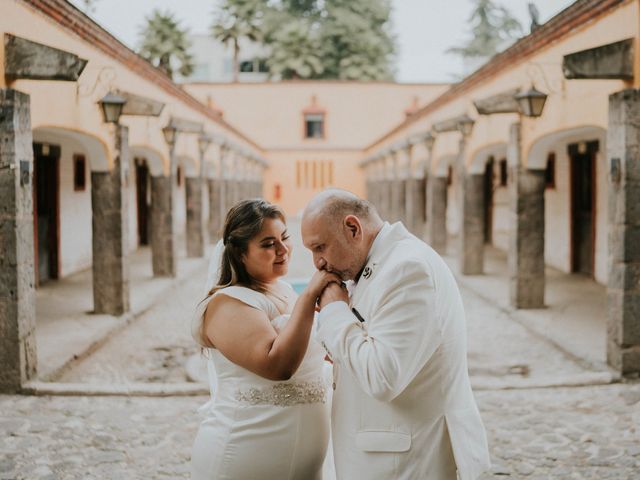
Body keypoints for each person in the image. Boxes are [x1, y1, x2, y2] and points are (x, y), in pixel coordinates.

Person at [301, 189, 491, 480]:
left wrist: (334, 311)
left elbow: (384, 376)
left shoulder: (406, 269)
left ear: (353, 228)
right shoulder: (378, 262)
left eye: (320, 247)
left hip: (406, 463)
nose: (317, 262)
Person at [191, 199, 339, 480]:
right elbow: (278, 366)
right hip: (244, 457)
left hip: (305, 467)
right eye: (268, 244)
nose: (283, 250)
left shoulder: (283, 290)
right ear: (240, 253)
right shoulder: (227, 304)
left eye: (284, 238)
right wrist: (309, 297)